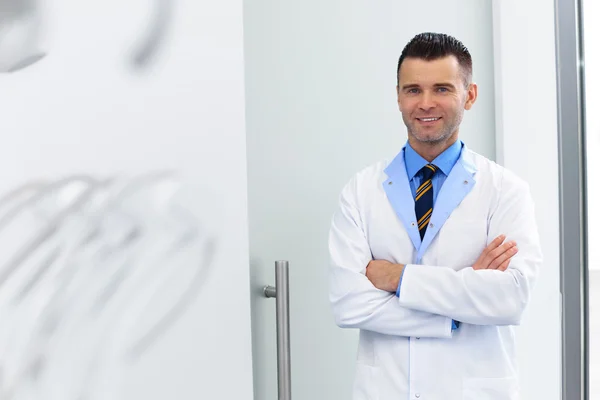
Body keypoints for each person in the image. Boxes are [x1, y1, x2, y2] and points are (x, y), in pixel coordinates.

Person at [328, 32, 542, 400]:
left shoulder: (505, 190)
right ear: (397, 96)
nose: (425, 104)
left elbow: (510, 298)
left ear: (469, 96)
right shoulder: (361, 191)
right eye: (413, 90)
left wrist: (399, 278)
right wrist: (461, 306)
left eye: (442, 89)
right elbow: (348, 303)